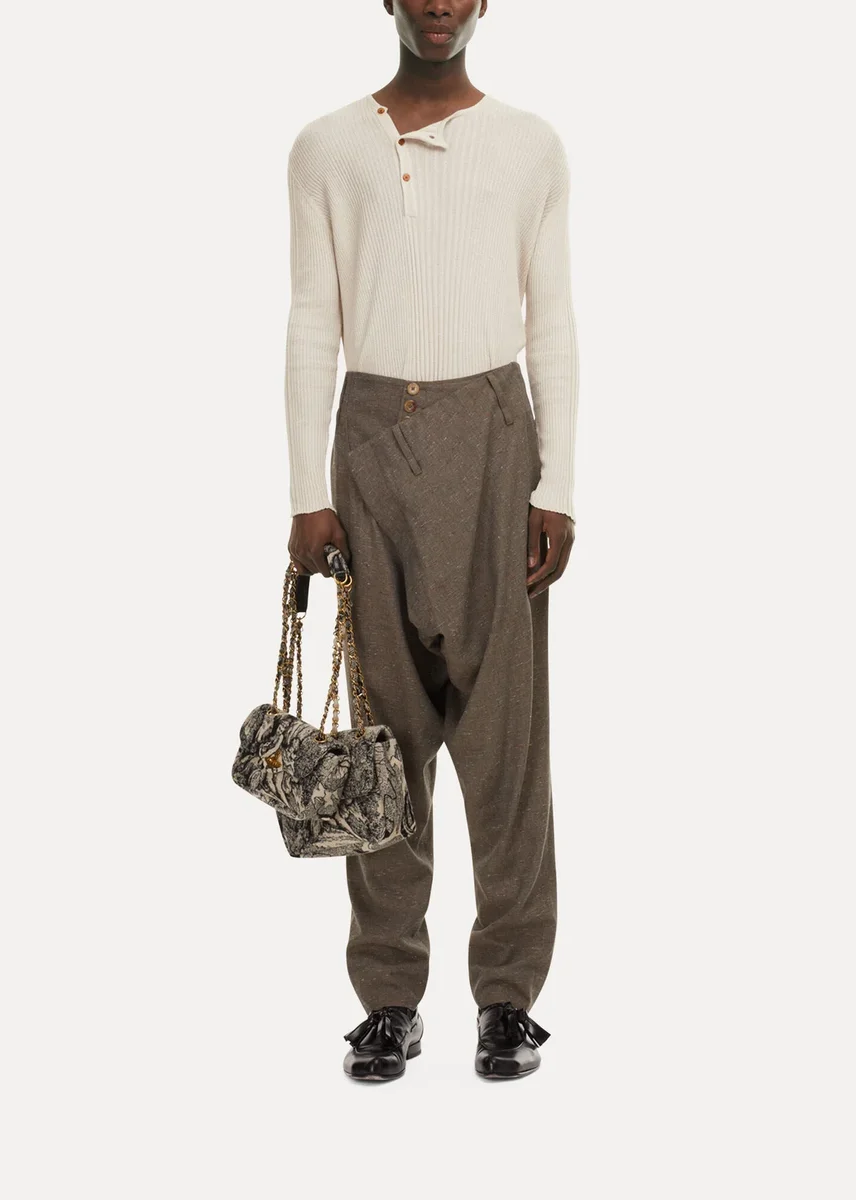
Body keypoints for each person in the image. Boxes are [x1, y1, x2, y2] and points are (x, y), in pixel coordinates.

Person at [282, 0, 578, 1081]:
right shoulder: (325, 147)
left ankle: (507, 999)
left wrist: (558, 485)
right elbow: (312, 317)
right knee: (385, 738)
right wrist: (306, 492)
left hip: (494, 437)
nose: (439, 4)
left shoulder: (529, 144)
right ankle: (389, 1000)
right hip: (371, 441)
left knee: (505, 743)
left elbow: (551, 318)